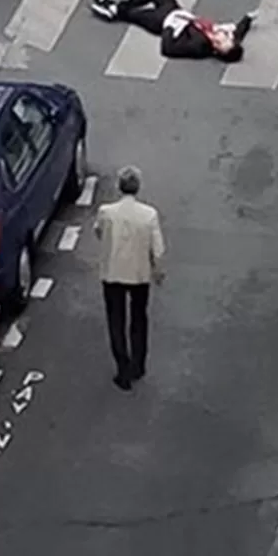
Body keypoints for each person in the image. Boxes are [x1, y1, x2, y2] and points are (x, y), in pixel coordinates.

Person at [94, 166, 166, 391]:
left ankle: (122, 367)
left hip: (113, 272)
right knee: (138, 318)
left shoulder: (106, 212)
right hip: (139, 273)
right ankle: (138, 364)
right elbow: (158, 249)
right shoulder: (149, 215)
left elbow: (98, 231)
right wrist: (157, 270)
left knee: (116, 319)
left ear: (119, 186)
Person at [84, 0, 256, 63]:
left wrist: (169, 26)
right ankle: (116, 8)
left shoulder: (199, 46)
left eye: (221, 43)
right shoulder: (223, 35)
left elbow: (168, 49)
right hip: (175, 10)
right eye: (226, 39)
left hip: (161, 21)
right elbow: (238, 33)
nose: (222, 37)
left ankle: (111, 8)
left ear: (217, 51)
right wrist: (248, 19)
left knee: (132, 15)